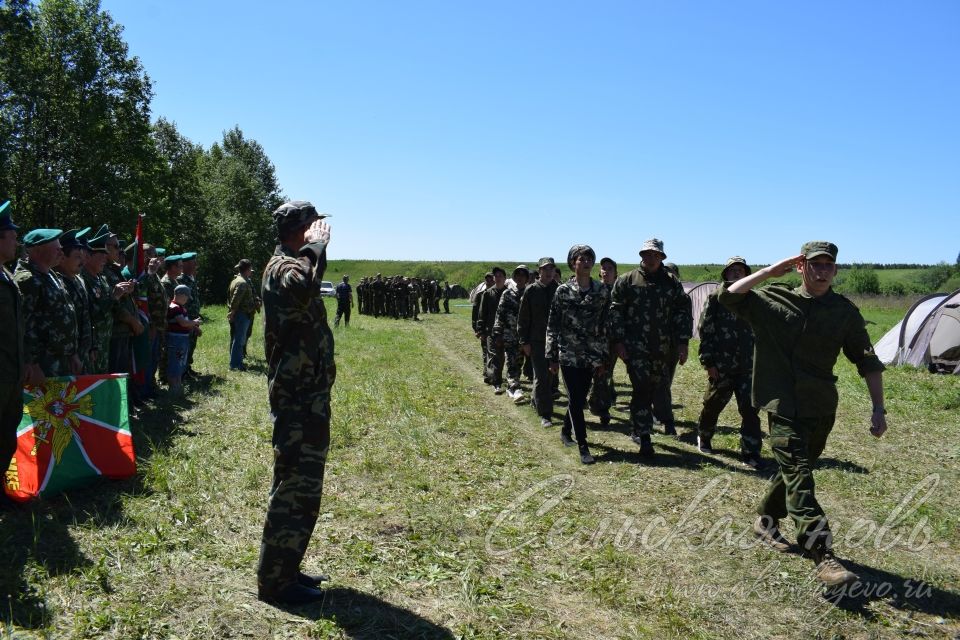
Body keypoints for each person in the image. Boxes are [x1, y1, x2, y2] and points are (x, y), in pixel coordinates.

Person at [719, 241, 888, 587]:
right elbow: (729, 296)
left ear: (835, 271)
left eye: (828, 265)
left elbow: (868, 362)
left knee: (797, 470)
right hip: (781, 404)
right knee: (799, 472)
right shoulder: (773, 299)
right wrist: (768, 272)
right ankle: (822, 554)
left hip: (819, 406)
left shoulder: (844, 312)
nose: (822, 271)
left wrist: (878, 408)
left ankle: (766, 519)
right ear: (800, 267)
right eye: (814, 265)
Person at [257, 200, 336, 605]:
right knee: (293, 487)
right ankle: (275, 583)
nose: (323, 230)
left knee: (303, 489)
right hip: (297, 399)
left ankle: (285, 569)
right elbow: (301, 286)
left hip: (309, 398)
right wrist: (315, 247)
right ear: (298, 229)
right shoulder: (283, 267)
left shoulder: (294, 262)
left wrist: (315, 254)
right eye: (315, 225)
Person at [608, 238, 690, 457]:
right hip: (635, 347)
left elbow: (683, 311)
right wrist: (618, 341)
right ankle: (645, 437)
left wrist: (683, 342)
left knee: (652, 389)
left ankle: (637, 425)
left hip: (662, 347)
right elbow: (615, 311)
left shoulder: (671, 282)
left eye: (655, 255)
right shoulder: (627, 280)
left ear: (662, 257)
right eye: (647, 254)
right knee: (642, 387)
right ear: (641, 256)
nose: (651, 258)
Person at [696, 257, 763, 467]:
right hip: (722, 365)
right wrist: (709, 362)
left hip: (748, 366)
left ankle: (750, 452)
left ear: (746, 274)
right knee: (713, 405)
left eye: (740, 270)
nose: (736, 273)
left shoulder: (754, 299)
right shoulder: (716, 298)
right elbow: (705, 330)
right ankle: (704, 436)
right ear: (725, 274)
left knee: (751, 411)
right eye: (732, 270)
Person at [546, 245, 609, 465]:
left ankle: (565, 431)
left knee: (579, 398)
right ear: (573, 263)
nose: (585, 262)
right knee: (575, 398)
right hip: (568, 354)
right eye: (581, 259)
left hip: (591, 354)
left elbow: (604, 325)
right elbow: (553, 324)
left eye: (589, 259)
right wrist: (552, 355)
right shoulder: (563, 291)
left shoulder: (601, 291)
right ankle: (583, 446)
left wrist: (603, 356)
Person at [14, 228, 82, 380]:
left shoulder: (51, 275)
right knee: (43, 404)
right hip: (43, 363)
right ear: (38, 251)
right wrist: (32, 363)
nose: (61, 253)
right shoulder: (28, 280)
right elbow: (24, 325)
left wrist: (72, 353)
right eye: (57, 249)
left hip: (61, 359)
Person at [0, 202, 24, 503]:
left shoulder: (6, 276)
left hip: (11, 371)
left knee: (6, 433)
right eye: (11, 236)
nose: (16, 242)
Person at [518, 258, 559, 427]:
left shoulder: (559, 289)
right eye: (545, 269)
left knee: (550, 376)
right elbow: (523, 318)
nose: (549, 272)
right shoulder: (531, 290)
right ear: (539, 271)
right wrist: (524, 341)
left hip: (555, 341)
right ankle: (545, 414)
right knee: (542, 376)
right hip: (536, 341)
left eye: (551, 268)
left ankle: (536, 401)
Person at [588, 257, 618, 425]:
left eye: (610, 268)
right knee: (596, 373)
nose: (606, 271)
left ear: (615, 273)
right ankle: (598, 405)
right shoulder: (594, 290)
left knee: (605, 373)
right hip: (594, 340)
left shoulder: (619, 292)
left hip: (612, 341)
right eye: (604, 268)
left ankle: (601, 406)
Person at [493, 265, 529, 403]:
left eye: (523, 275)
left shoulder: (529, 293)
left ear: (526, 278)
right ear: (514, 277)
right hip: (510, 334)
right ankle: (515, 388)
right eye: (518, 275)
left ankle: (511, 386)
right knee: (511, 361)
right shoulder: (507, 294)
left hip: (524, 336)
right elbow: (499, 313)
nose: (520, 278)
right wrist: (497, 331)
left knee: (519, 362)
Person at [477, 267, 508, 394]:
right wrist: (481, 330)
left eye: (501, 275)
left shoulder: (509, 293)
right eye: (496, 276)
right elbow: (482, 313)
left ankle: (505, 380)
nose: (498, 277)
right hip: (491, 331)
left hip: (507, 331)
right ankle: (497, 383)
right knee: (495, 356)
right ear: (494, 278)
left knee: (503, 358)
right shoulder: (487, 294)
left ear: (505, 278)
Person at [166, 285, 199, 396]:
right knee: (175, 362)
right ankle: (173, 388)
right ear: (180, 294)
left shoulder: (180, 307)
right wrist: (194, 322)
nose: (187, 300)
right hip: (176, 339)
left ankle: (178, 385)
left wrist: (194, 327)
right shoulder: (174, 307)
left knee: (180, 363)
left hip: (182, 339)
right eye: (186, 297)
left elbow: (185, 323)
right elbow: (183, 323)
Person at [227, 259, 258, 370]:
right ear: (248, 269)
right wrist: (232, 313)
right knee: (239, 340)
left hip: (242, 314)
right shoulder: (242, 282)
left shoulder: (237, 280)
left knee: (239, 339)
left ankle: (237, 362)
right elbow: (235, 300)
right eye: (250, 269)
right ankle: (235, 365)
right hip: (242, 314)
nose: (251, 271)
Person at [177, 252, 202, 375]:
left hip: (193, 319)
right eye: (193, 263)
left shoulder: (192, 278)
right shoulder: (181, 280)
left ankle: (187, 368)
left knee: (191, 345)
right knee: (185, 346)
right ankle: (182, 371)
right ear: (185, 264)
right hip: (186, 320)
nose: (196, 265)